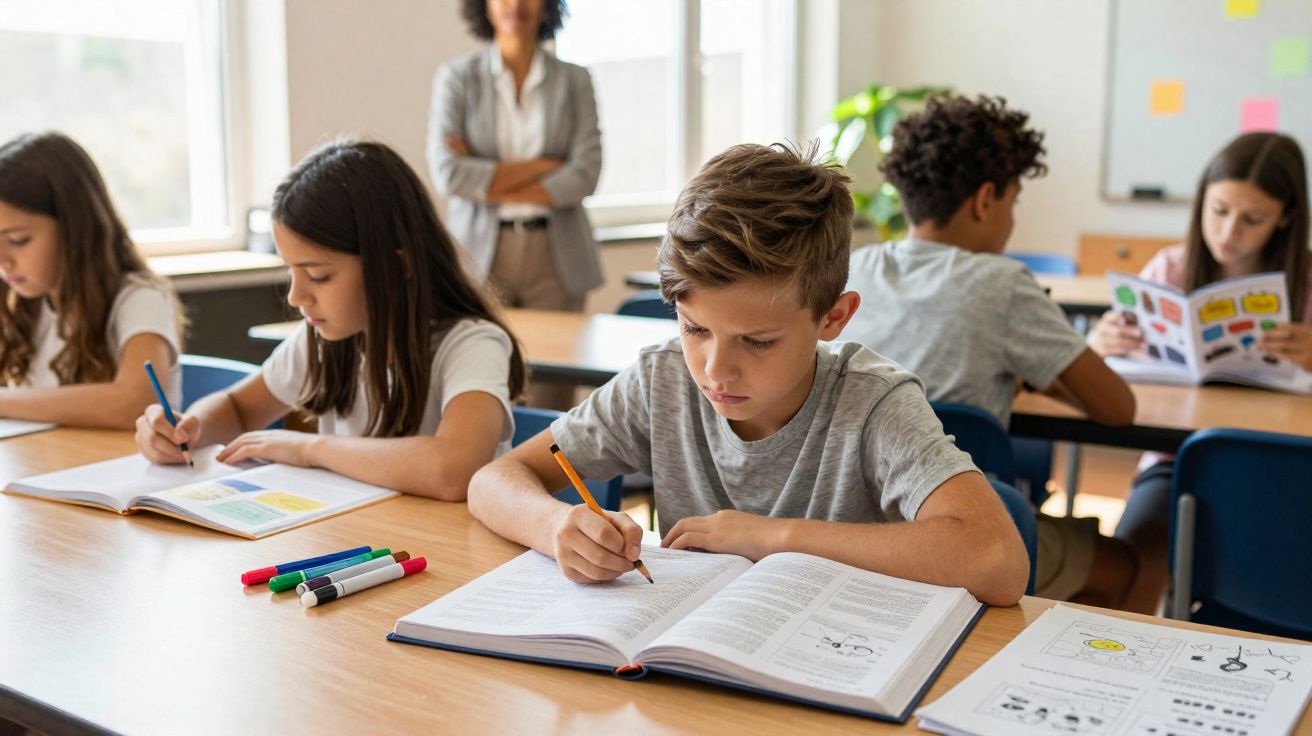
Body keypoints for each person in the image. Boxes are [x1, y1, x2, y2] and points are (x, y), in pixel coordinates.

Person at [468, 142, 1029, 607]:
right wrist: (554, 527)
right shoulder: (662, 381)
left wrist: (773, 537)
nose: (715, 370)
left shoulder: (871, 400)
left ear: (833, 317)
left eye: (757, 341)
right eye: (694, 329)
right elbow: (494, 480)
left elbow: (996, 559)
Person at [843, 94, 1138, 609]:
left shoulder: (855, 267)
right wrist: (1046, 377)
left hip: (846, 525)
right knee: (1126, 564)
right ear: (985, 200)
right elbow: (1117, 407)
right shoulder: (1000, 283)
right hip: (955, 533)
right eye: (1014, 201)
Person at [136, 140, 525, 501]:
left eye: (318, 275)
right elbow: (239, 409)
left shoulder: (472, 345)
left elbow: (454, 469)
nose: (295, 296)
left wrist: (311, 449)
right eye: (290, 271)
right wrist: (188, 430)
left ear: (393, 267)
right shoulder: (322, 339)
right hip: (358, 542)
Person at [1088, 131, 1312, 613]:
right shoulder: (1169, 268)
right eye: (1218, 210)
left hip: (1285, 466)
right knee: (1137, 557)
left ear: (1287, 217)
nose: (1230, 233)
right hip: (1175, 460)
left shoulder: (1308, 281)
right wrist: (1099, 345)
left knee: (1271, 575)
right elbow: (1107, 367)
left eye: (1253, 219)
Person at [428, 0, 602, 314]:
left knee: (559, 361)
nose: (516, 4)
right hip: (478, 253)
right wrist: (546, 167)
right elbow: (449, 174)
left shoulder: (575, 80)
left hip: (557, 255)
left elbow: (586, 174)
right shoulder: (457, 78)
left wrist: (483, 176)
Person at [0, 131, 184, 428]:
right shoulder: (24, 300)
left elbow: (136, 403)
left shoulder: (139, 298)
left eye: (19, 240)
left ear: (76, 230)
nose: (2, 261)